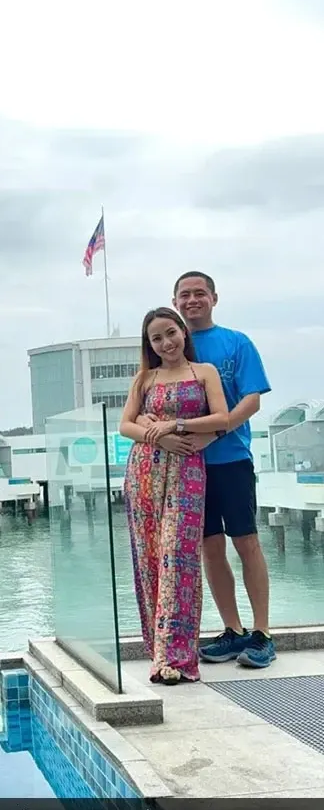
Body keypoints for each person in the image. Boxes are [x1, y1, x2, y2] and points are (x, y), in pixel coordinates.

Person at [138, 271, 275, 669]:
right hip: (184, 469)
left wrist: (215, 433)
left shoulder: (236, 343)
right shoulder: (167, 353)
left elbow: (251, 401)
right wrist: (156, 431)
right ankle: (232, 630)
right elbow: (146, 411)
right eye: (185, 294)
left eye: (200, 293)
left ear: (214, 297)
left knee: (246, 542)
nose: (193, 299)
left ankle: (262, 633)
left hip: (230, 459)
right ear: (175, 302)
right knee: (210, 548)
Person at [119, 307, 229, 685]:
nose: (166, 343)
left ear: (183, 331)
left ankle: (178, 658)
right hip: (144, 473)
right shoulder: (145, 379)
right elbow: (125, 426)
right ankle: (160, 653)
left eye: (171, 333)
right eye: (156, 338)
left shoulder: (204, 373)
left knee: (179, 559)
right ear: (149, 344)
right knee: (151, 558)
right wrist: (157, 436)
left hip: (187, 473)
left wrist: (175, 425)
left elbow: (222, 419)